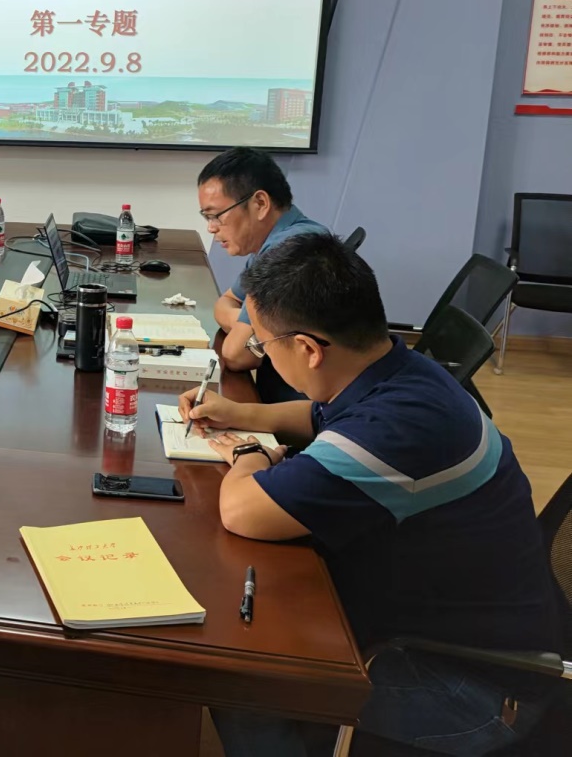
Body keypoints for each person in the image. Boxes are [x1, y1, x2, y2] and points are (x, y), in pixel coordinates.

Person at [179, 234, 560, 757]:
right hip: (439, 626)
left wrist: (248, 452)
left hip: (472, 689)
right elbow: (321, 417)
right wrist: (241, 412)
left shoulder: (398, 428)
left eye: (263, 346)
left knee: (245, 680)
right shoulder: (396, 371)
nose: (261, 356)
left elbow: (242, 509)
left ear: (309, 350)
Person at [197, 147, 328, 401]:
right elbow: (225, 303)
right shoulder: (274, 242)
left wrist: (251, 331)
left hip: (307, 410)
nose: (212, 228)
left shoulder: (294, 251)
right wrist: (258, 328)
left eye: (216, 216)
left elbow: (237, 354)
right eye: (207, 217)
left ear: (260, 203)